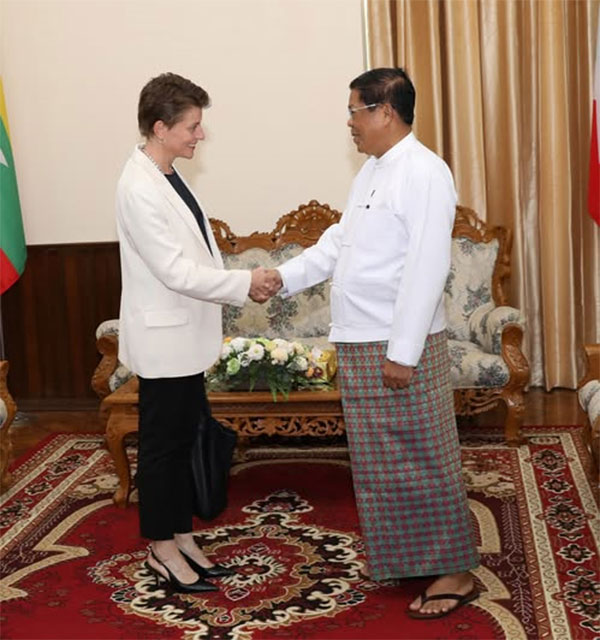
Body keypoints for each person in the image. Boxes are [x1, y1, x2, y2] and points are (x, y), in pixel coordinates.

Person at [270, 67, 480, 618]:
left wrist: (403, 352)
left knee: (424, 456)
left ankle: (456, 570)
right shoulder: (371, 171)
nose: (349, 123)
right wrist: (280, 278)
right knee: (381, 461)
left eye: (355, 111)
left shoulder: (425, 172)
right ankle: (408, 556)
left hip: (396, 341)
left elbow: (427, 266)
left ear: (385, 112)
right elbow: (340, 243)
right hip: (361, 336)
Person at [116, 72, 279, 594]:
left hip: (184, 339)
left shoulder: (166, 175)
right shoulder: (138, 187)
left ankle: (181, 535)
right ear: (160, 127)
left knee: (183, 441)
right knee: (162, 449)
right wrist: (245, 283)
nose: (200, 135)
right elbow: (175, 272)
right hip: (164, 342)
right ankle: (161, 549)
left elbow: (197, 257)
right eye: (192, 126)